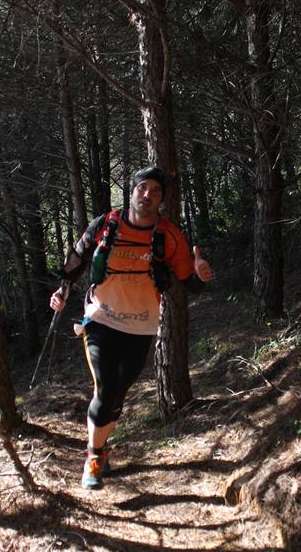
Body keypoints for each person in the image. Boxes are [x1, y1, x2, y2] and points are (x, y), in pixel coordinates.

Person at [50, 166, 213, 489]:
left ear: (162, 198)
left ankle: (102, 448)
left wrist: (201, 274)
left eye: (155, 190)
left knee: (117, 395)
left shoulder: (169, 235)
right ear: (132, 191)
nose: (147, 194)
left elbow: (188, 283)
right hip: (100, 319)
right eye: (142, 188)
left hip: (141, 326)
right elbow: (76, 261)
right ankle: (93, 458)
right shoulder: (105, 224)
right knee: (107, 387)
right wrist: (61, 292)